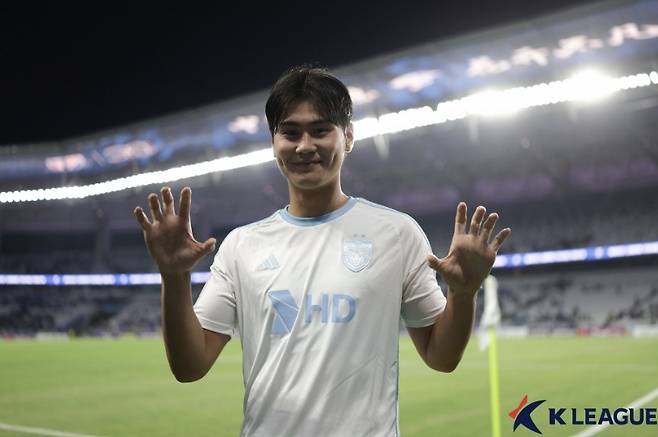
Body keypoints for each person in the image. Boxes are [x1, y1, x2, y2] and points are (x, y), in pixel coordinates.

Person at [133, 66, 511, 436]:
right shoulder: (241, 246)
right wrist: (175, 277)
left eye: (320, 130)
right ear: (274, 143)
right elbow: (190, 366)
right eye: (290, 132)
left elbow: (441, 357)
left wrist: (463, 294)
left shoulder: (397, 233)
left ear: (348, 137)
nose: (304, 146)